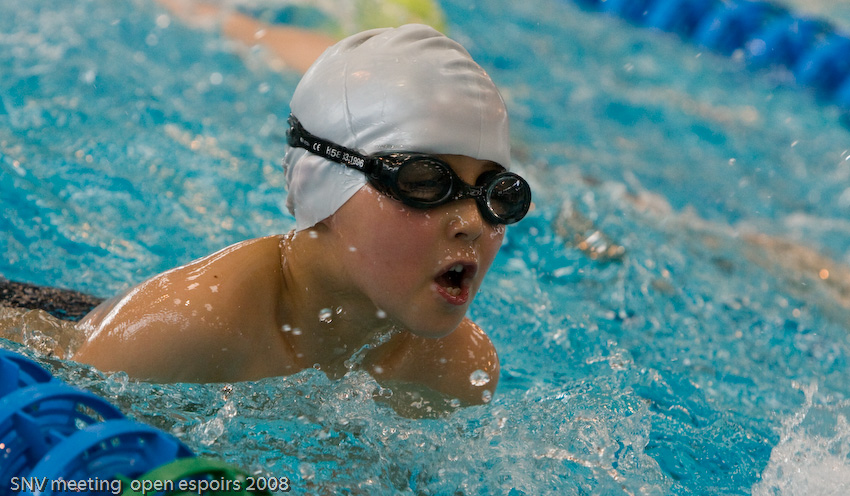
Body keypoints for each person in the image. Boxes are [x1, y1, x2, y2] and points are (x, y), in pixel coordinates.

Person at [73, 24, 532, 416]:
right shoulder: (181, 328)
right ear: (324, 182)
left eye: (498, 195)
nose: (473, 222)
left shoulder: (458, 371)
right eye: (425, 183)